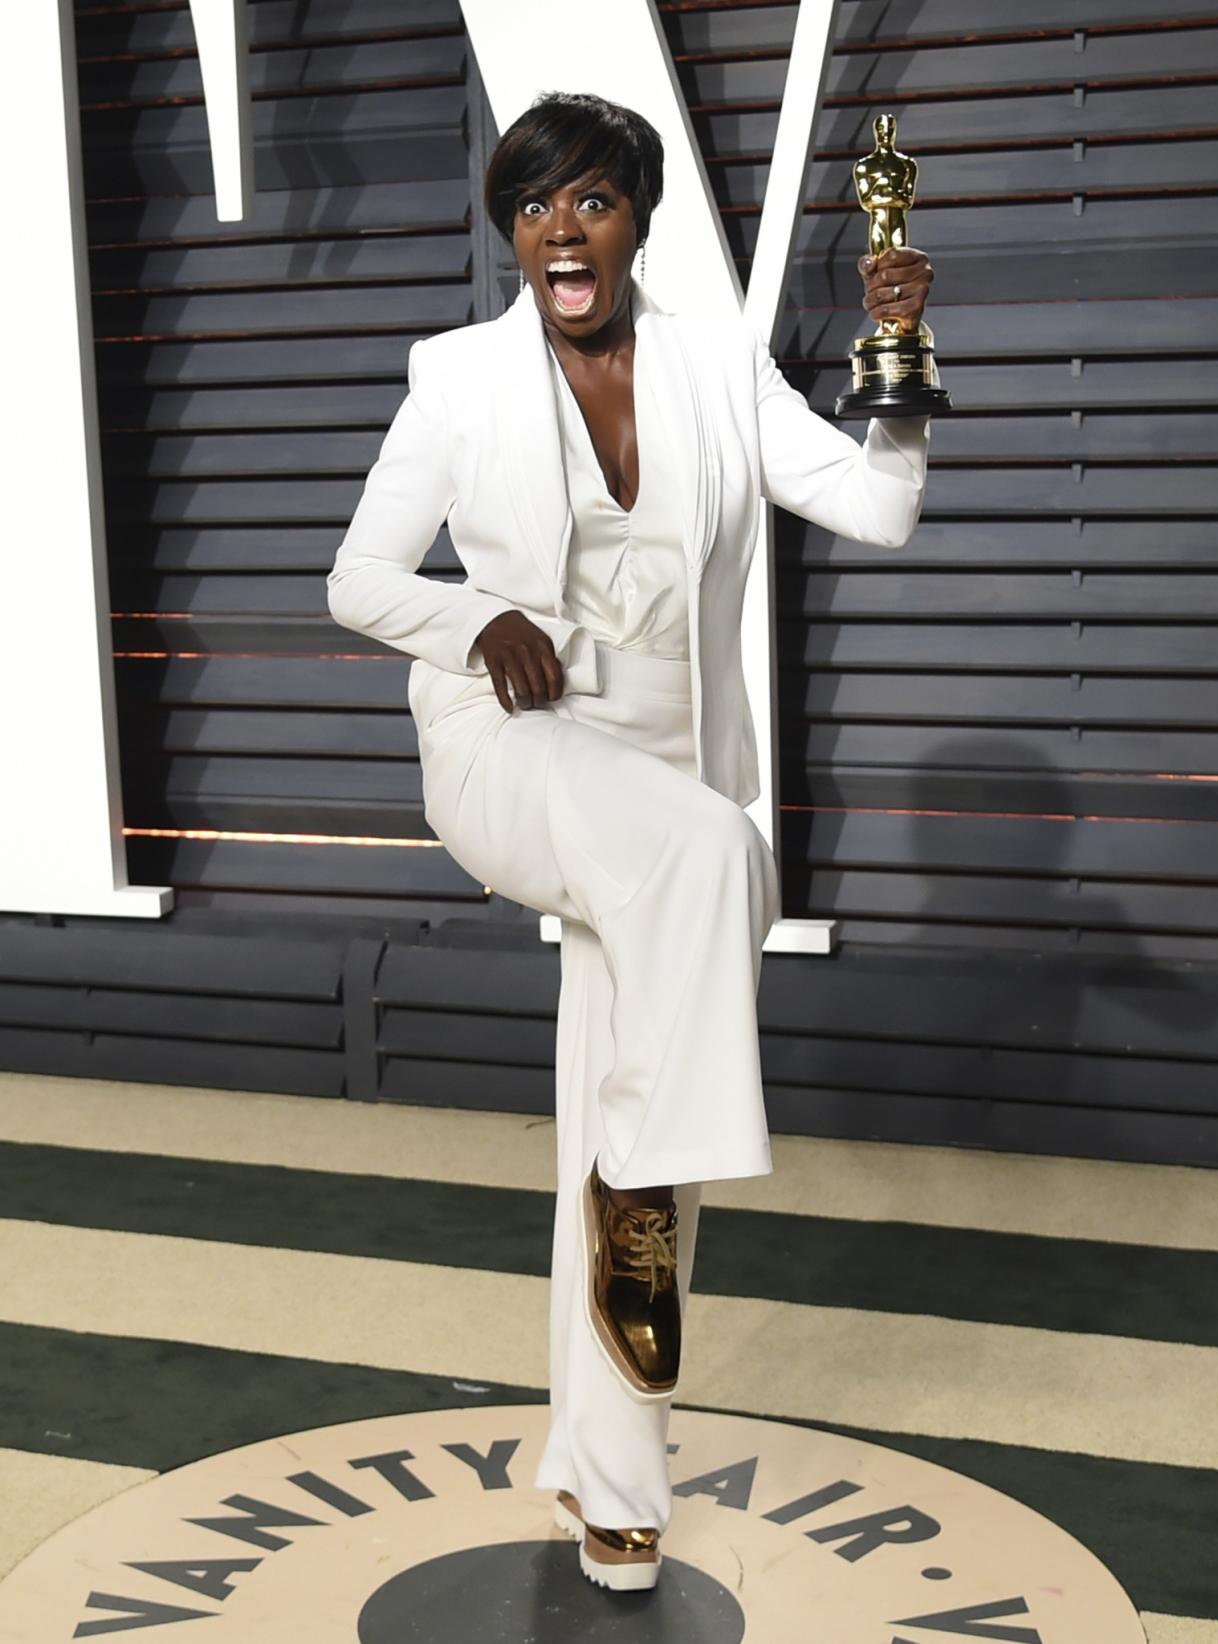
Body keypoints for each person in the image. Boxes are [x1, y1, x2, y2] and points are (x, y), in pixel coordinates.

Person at [325, 90, 932, 1593]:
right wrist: (479, 615)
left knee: (634, 1049)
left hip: (657, 763)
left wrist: (899, 373)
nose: (558, 230)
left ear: (635, 221)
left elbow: (878, 509)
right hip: (510, 740)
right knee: (719, 865)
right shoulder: (458, 379)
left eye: (587, 200)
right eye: (533, 208)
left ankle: (606, 1483)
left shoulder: (716, 369)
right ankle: (642, 1191)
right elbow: (355, 579)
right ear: (512, 235)